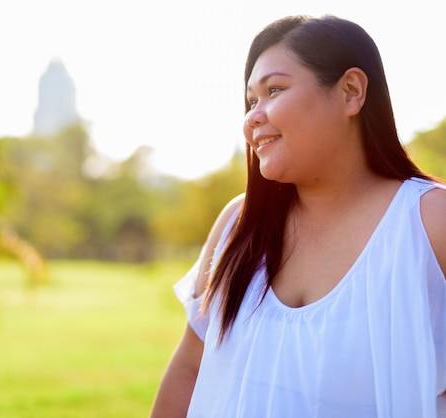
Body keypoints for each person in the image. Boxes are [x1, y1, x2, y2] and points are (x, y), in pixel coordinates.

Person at [150, 15, 446, 418]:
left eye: (274, 90)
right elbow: (189, 370)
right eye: (251, 100)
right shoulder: (237, 224)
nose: (253, 116)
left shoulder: (430, 221)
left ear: (351, 91)